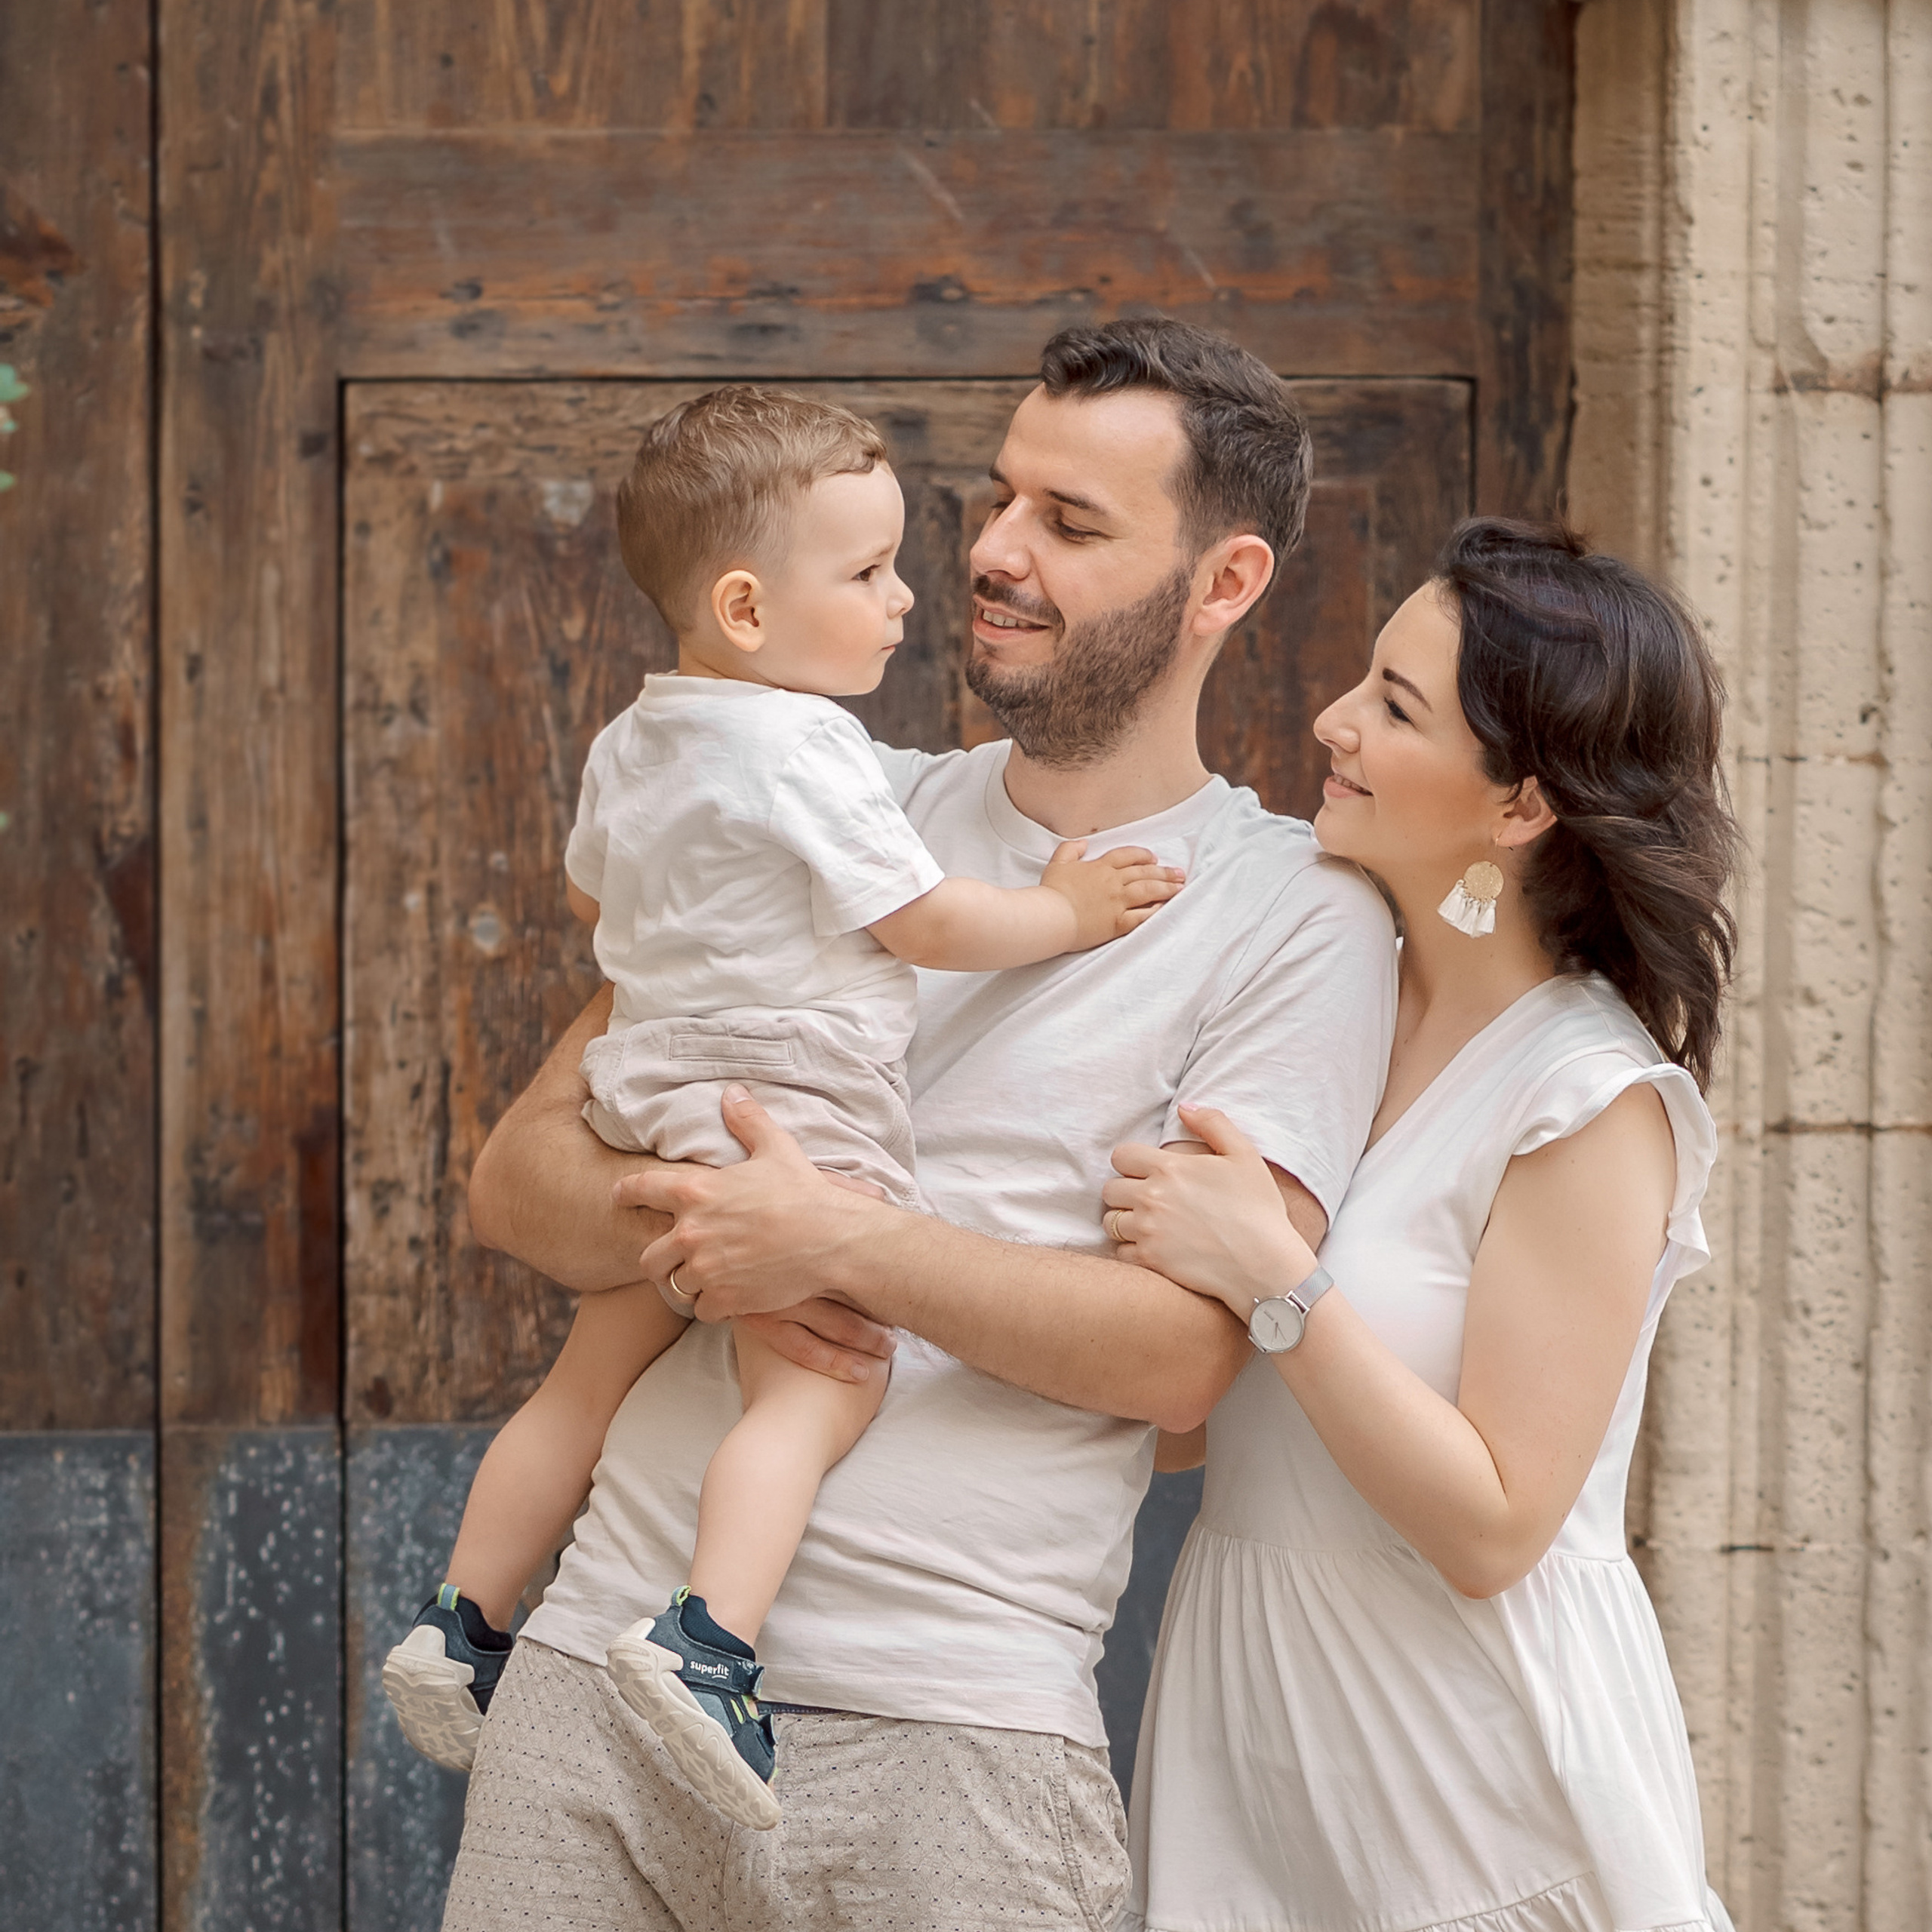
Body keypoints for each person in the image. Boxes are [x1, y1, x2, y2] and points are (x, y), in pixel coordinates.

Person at [438, 318, 1398, 1930]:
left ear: (1223, 583)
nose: (998, 554)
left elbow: (1179, 1356)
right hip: (600, 1661)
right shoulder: (820, 785)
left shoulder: (1294, 915)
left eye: (1072, 525)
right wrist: (716, 1230)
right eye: (1002, 498)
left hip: (950, 1729)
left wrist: (838, 1241)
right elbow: (520, 1179)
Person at [380, 385, 1181, 1829]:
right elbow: (927, 923)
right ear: (748, 608)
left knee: (586, 1374)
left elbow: (588, 897)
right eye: (869, 573)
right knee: (821, 1379)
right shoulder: (808, 748)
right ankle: (709, 1642)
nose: (908, 595)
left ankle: (461, 1620)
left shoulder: (636, 736)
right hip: (790, 1106)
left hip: (650, 1081)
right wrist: (1061, 914)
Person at [1103, 519, 1739, 1932]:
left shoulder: (1586, 1095)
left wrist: (1274, 1277)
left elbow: (1500, 1524)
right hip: (1257, 1733)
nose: (1331, 720)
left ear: (1518, 806)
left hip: (1465, 1771)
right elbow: (1205, 1419)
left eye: (1393, 706)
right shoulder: (1328, 1013)